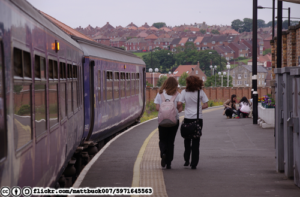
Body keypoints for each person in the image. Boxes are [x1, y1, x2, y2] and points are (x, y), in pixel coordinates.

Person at [178, 76, 208, 169]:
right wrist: (199, 108)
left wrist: (180, 107)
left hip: (187, 119)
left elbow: (179, 103)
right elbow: (206, 105)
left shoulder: (184, 92)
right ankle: (194, 163)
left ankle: (186, 160)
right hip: (198, 119)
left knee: (187, 140)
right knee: (196, 141)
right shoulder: (201, 92)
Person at [154, 77, 182, 169]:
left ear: (165, 83)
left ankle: (163, 153)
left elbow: (157, 108)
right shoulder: (177, 94)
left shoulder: (160, 93)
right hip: (174, 121)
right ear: (175, 84)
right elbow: (180, 109)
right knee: (171, 141)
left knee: (162, 139)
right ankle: (169, 163)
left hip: (162, 121)